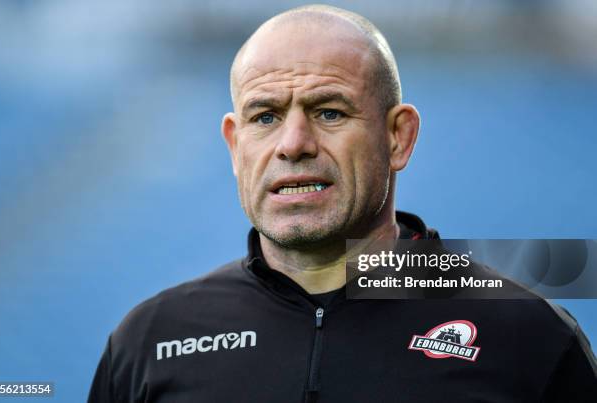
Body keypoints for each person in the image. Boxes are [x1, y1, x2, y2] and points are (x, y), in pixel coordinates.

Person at [88, 5, 597, 402]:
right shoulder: (150, 341)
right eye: (264, 117)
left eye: (328, 112)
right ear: (233, 145)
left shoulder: (529, 337)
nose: (293, 143)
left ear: (399, 137)